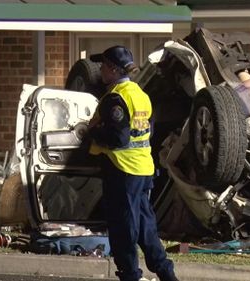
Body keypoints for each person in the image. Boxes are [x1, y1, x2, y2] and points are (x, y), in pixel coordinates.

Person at [87, 45, 179, 281]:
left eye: (103, 66)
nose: (100, 70)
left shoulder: (115, 98)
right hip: (143, 168)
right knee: (145, 226)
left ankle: (129, 275)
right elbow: (148, 131)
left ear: (113, 69)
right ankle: (166, 273)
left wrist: (92, 132)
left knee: (123, 228)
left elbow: (118, 138)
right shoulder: (140, 94)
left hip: (122, 171)